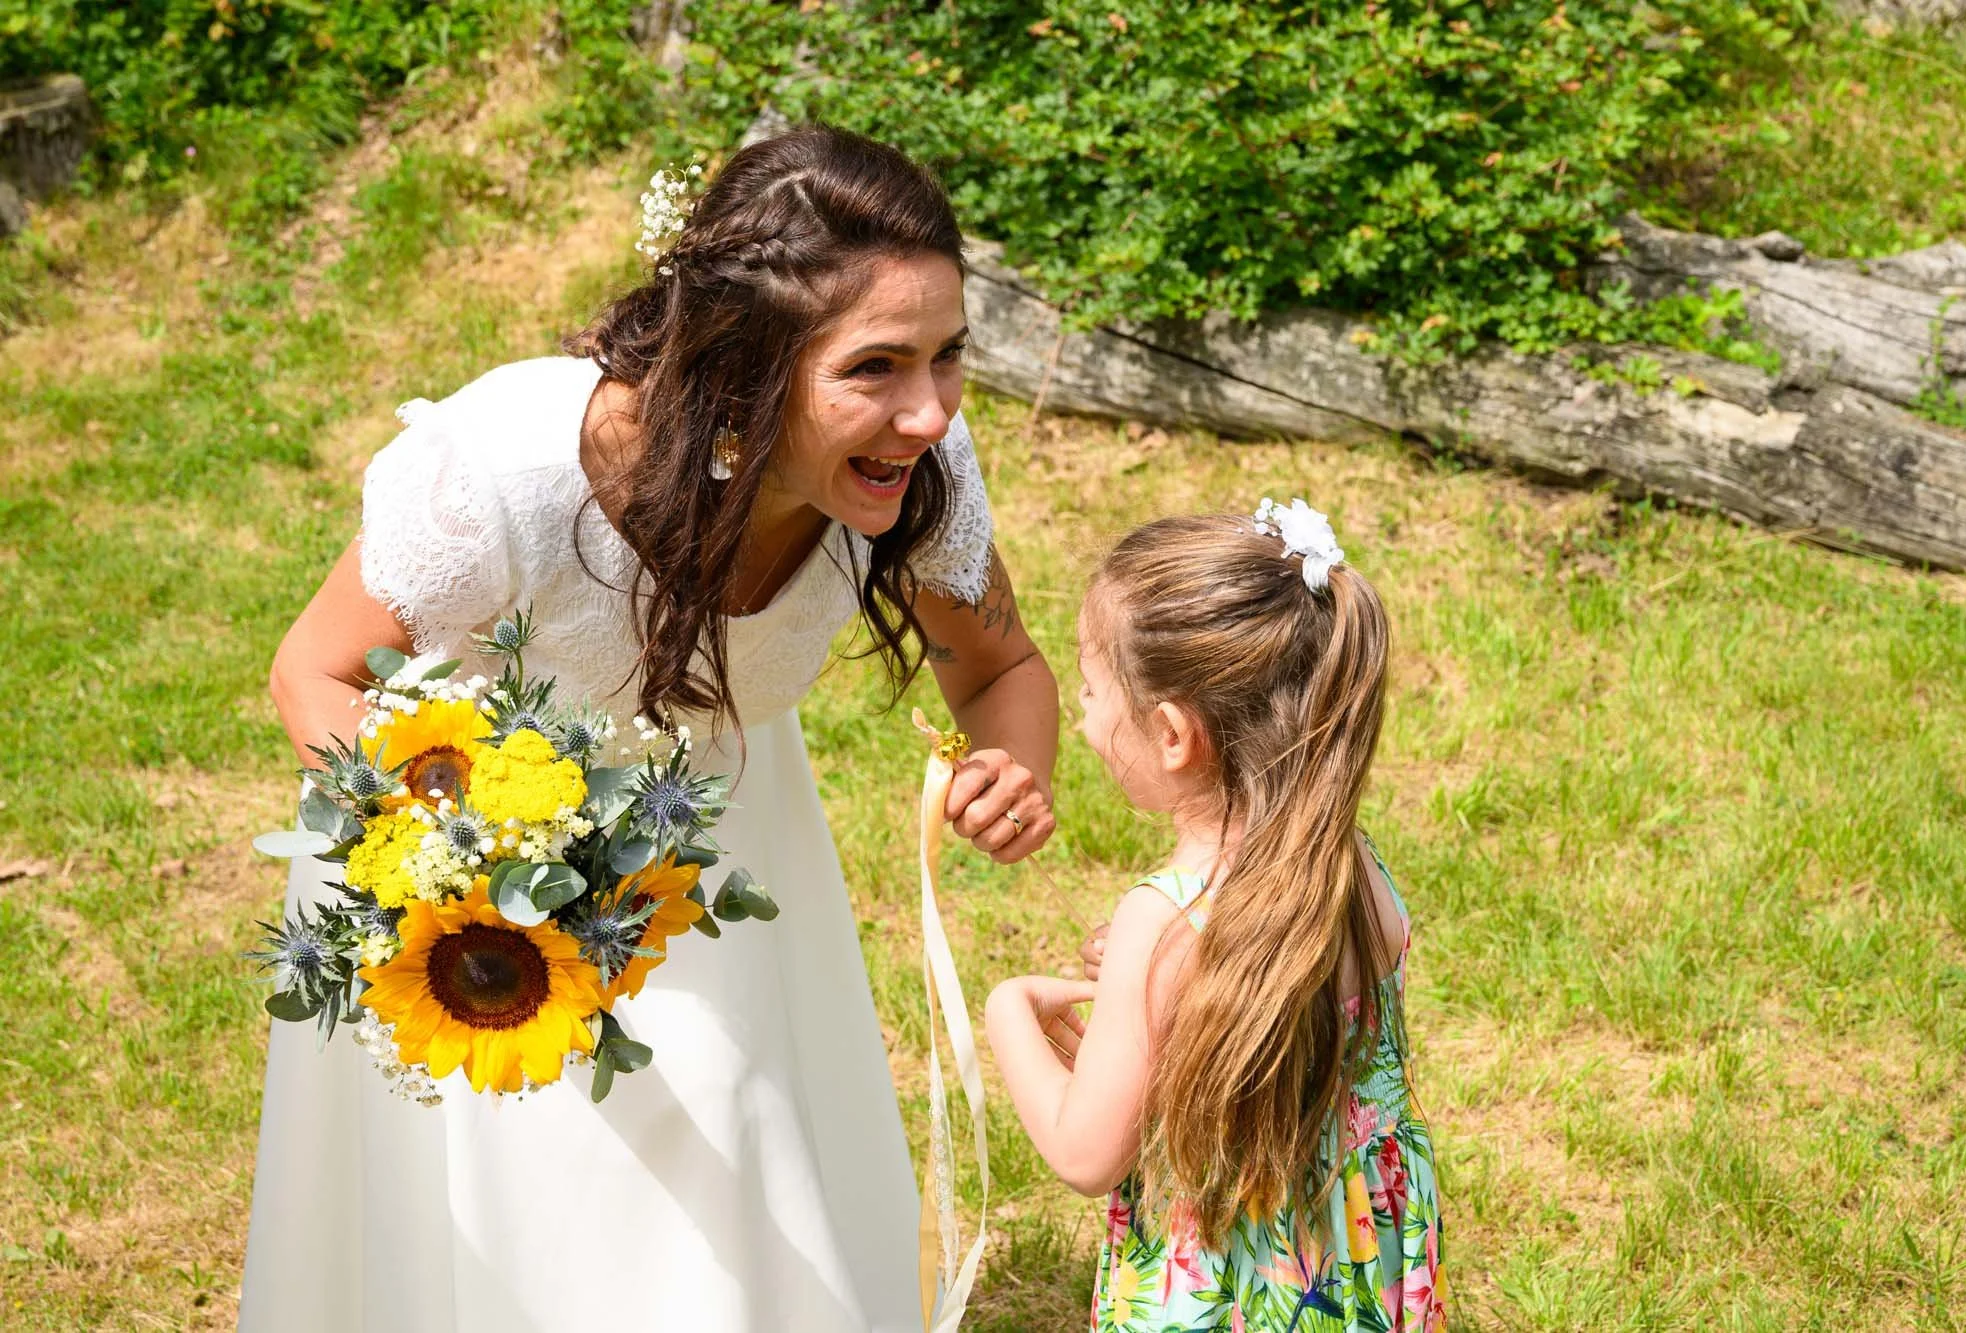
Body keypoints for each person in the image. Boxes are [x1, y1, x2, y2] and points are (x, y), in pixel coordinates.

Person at [241, 124, 1060, 1332]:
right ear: (744, 364)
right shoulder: (519, 469)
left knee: (729, 1131)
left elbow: (1002, 667)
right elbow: (313, 672)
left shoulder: (907, 476)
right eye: (876, 366)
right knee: (541, 1212)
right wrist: (462, 866)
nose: (928, 411)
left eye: (947, 357)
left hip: (729, 847)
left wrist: (1010, 766)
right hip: (458, 855)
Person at [985, 504, 1445, 1331]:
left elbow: (1085, 1152)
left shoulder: (1160, 926)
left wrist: (1007, 1011)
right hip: (1349, 1274)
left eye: (1092, 691)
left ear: (1170, 734)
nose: (1084, 717)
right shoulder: (1348, 863)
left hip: (1235, 1294)